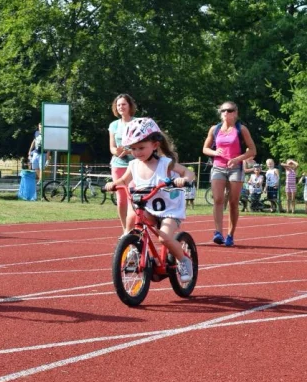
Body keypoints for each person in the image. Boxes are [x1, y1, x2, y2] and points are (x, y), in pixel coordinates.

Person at [103, 118, 195, 282]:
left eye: (141, 148)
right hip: (150, 208)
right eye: (133, 149)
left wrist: (184, 179)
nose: (137, 152)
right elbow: (123, 181)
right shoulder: (133, 165)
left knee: (164, 238)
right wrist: (113, 184)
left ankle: (184, 260)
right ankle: (132, 249)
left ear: (155, 145)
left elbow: (188, 173)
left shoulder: (165, 163)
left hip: (169, 211)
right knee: (132, 218)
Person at [202, 101, 257, 247]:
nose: (226, 113)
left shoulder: (241, 129)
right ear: (220, 113)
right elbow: (205, 149)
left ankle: (230, 235)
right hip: (218, 167)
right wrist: (214, 152)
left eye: (230, 110)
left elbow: (252, 150)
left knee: (233, 202)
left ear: (236, 113)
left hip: (235, 168)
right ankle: (218, 232)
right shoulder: (215, 129)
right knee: (218, 199)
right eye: (223, 110)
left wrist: (238, 159)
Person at [108, 94, 136, 233]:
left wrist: (130, 151)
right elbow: (112, 147)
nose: (121, 107)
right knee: (121, 200)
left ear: (130, 105)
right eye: (118, 105)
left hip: (134, 165)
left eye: (124, 104)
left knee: (132, 198)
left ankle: (132, 228)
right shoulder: (113, 125)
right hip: (118, 164)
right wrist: (117, 152)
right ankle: (125, 230)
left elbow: (143, 145)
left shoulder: (137, 122)